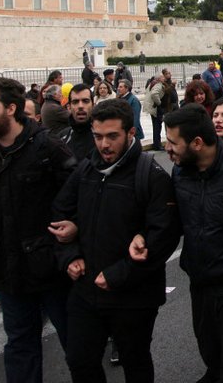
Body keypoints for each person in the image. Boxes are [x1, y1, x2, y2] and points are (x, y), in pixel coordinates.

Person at [50, 99, 181, 383]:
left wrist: (119, 274)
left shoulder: (150, 176)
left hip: (133, 296)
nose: (104, 145)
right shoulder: (86, 170)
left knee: (135, 363)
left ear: (130, 133)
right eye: (98, 137)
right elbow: (60, 214)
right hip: (87, 290)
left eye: (112, 136)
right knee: (80, 361)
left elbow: (164, 236)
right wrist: (71, 256)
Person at [139, 104, 223, 382]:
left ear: (197, 143)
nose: (167, 147)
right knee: (212, 355)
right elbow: (171, 223)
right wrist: (143, 238)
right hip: (201, 286)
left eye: (173, 142)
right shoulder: (180, 172)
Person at [0, 76, 77, 382]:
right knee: (19, 346)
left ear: (11, 108)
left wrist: (74, 234)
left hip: (53, 268)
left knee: (77, 345)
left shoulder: (48, 147)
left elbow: (80, 197)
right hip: (9, 269)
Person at [59, 84, 97, 162]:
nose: (80, 106)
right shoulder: (62, 138)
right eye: (75, 102)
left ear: (93, 105)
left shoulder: (102, 137)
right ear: (69, 107)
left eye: (85, 101)